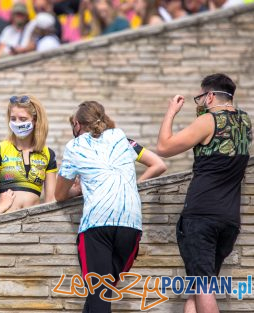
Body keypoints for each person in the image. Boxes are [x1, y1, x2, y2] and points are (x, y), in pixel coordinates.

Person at [156, 73, 252, 313]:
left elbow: (164, 148)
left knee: (202, 285)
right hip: (229, 220)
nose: (198, 103)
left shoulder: (209, 120)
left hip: (201, 217)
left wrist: (171, 112)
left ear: (210, 96)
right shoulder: (245, 122)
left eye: (200, 98)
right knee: (199, 285)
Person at [55, 101, 148, 312]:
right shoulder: (120, 137)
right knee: (100, 295)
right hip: (131, 223)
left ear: (77, 125)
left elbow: (60, 194)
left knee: (98, 295)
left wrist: (77, 190)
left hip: (97, 223)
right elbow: (158, 163)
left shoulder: (75, 146)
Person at [0, 95, 57, 212]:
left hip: (35, 223)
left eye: (23, 119)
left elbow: (50, 200)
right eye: (13, 119)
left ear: (35, 120)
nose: (17, 123)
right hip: (4, 222)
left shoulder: (48, 153)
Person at [69, 114, 167, 183]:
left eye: (76, 127)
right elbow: (159, 165)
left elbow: (159, 165)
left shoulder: (125, 143)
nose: (75, 133)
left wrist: (137, 187)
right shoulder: (125, 142)